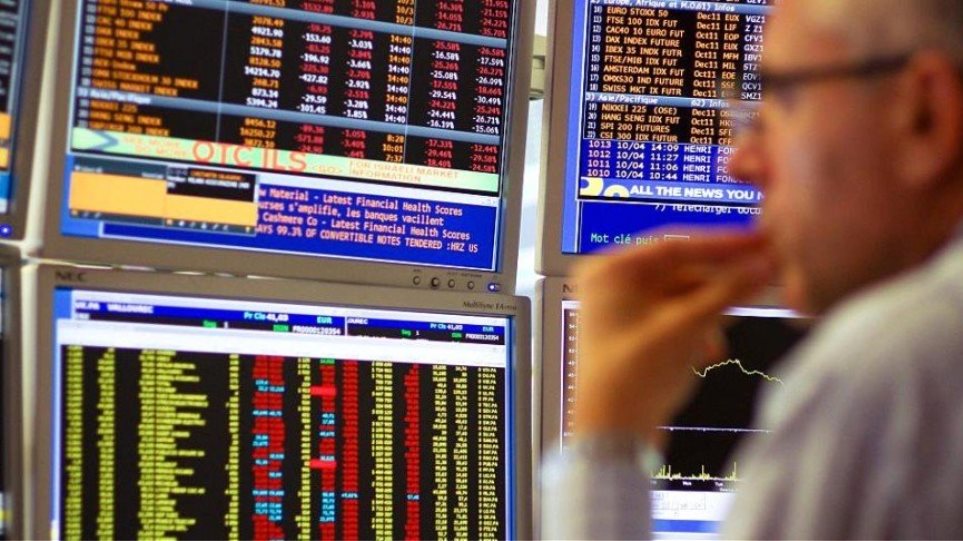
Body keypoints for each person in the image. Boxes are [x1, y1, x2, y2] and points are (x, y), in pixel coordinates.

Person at [542, 0, 963, 538]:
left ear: (925, 112)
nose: (738, 163)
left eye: (779, 101)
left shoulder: (893, 368)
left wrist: (606, 440)